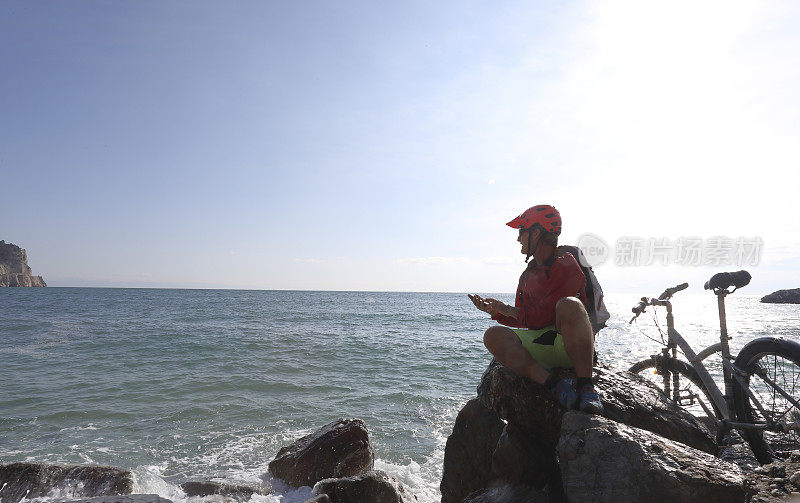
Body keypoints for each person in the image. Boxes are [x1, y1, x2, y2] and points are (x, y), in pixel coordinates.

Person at [468, 204, 603, 414]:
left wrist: (506, 309)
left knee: (570, 305)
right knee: (492, 335)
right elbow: (526, 319)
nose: (518, 238)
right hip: (542, 346)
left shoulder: (567, 264)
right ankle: (555, 386)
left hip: (567, 345)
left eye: (522, 231)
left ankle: (586, 386)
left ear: (537, 232)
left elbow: (544, 315)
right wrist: (495, 311)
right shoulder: (527, 274)